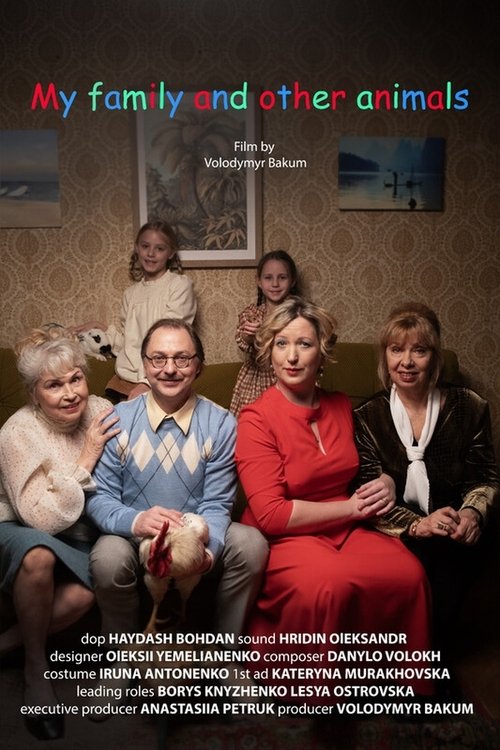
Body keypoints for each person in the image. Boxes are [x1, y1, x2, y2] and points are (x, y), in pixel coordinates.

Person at [235, 297, 433, 702]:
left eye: (304, 344)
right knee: (329, 585)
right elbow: (271, 514)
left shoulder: (342, 404)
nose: (292, 357)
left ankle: (401, 690)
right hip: (286, 537)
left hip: (348, 529)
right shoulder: (255, 419)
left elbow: (373, 466)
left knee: (408, 574)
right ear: (269, 350)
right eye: (281, 344)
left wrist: (387, 481)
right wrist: (351, 508)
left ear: (322, 352)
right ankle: (318, 695)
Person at [87, 318, 268, 640]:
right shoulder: (117, 421)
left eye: (182, 358)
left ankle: (225, 651)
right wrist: (137, 520)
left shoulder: (222, 424)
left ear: (198, 366)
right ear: (145, 365)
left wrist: (206, 553)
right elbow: (100, 499)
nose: (169, 369)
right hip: (133, 536)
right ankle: (121, 654)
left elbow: (217, 503)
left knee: (252, 544)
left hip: (195, 535)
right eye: (158, 358)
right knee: (107, 558)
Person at [354, 302, 499, 658]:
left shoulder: (469, 406)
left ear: (434, 358)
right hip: (399, 527)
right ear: (385, 356)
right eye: (396, 350)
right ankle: (423, 667)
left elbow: (485, 477)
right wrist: (420, 525)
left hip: (456, 522)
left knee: (457, 552)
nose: (406, 362)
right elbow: (368, 493)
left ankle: (429, 665)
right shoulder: (367, 416)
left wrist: (472, 514)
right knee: (424, 557)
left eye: (419, 350)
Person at [0, 326, 120, 740]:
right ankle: (36, 672)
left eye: (76, 379)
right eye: (54, 385)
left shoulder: (101, 409)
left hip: (81, 533)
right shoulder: (17, 431)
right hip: (21, 527)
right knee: (39, 554)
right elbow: (40, 519)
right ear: (34, 394)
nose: (70, 394)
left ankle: (5, 644)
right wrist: (86, 459)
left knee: (89, 591)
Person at [73, 220, 197, 401]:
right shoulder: (130, 294)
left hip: (162, 378)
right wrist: (100, 327)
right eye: (145, 246)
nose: (151, 253)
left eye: (159, 248)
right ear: (137, 248)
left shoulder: (179, 286)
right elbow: (129, 343)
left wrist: (147, 382)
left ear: (170, 253)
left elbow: (172, 340)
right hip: (126, 379)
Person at [229, 249, 299, 416]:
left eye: (282, 277)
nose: (275, 284)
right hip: (256, 380)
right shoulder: (252, 314)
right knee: (253, 422)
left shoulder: (300, 314)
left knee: (290, 422)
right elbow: (243, 341)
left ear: (292, 281)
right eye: (268, 277)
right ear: (259, 281)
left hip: (291, 376)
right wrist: (249, 336)